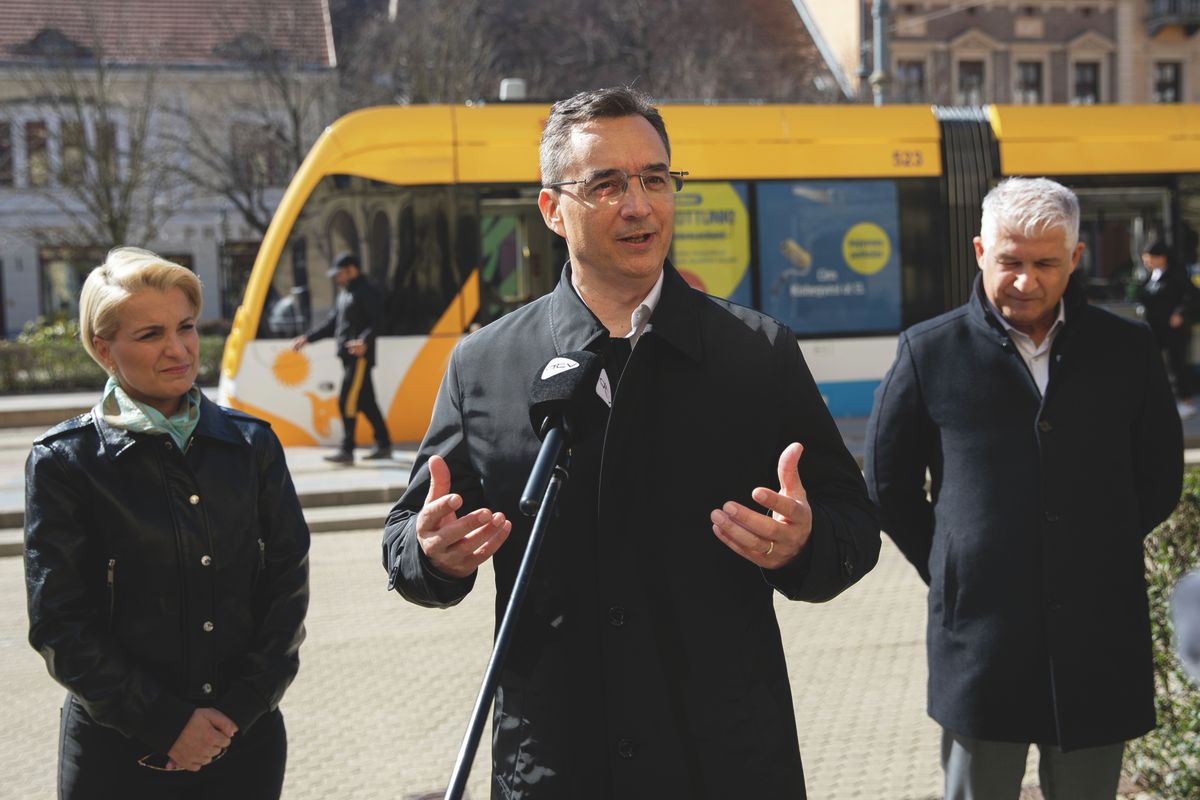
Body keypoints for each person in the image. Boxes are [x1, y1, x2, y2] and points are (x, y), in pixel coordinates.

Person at [381, 87, 879, 799]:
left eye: (655, 179)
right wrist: (430, 554)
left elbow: (853, 525)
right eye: (606, 185)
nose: (639, 205)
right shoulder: (484, 364)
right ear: (553, 209)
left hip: (723, 764)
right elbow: (405, 537)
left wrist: (806, 543)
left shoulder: (758, 353)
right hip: (554, 765)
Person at [865, 177, 1183, 800]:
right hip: (980, 640)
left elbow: (1160, 475)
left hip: (1098, 632)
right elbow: (887, 483)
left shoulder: (1128, 348)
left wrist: (1093, 547)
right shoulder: (928, 351)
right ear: (981, 251)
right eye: (1010, 262)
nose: (1025, 281)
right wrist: (953, 566)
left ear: (1076, 257)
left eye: (1046, 264)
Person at [25, 247, 310, 799]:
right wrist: (166, 722)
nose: (178, 349)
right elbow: (60, 624)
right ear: (103, 349)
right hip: (117, 752)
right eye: (150, 334)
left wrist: (237, 710)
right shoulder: (65, 461)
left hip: (243, 741)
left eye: (186, 326)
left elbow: (286, 590)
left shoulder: (251, 445)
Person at [291, 251, 392, 463]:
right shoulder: (345, 294)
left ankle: (347, 449)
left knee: (347, 402)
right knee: (366, 402)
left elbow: (379, 320)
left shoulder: (365, 291)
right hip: (348, 358)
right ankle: (383, 443)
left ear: (352, 270)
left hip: (359, 359)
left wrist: (364, 341)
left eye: (340, 273)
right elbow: (332, 325)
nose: (337, 277)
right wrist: (307, 338)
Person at [1138, 240, 1198, 419]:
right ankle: (1159, 400)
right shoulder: (1151, 275)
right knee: (1153, 364)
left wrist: (1180, 313)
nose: (1148, 263)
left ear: (1162, 258)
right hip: (1155, 328)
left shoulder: (1177, 274)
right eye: (1145, 260)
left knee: (1177, 363)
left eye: (1151, 259)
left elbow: (1193, 296)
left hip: (1174, 329)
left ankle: (1186, 401)